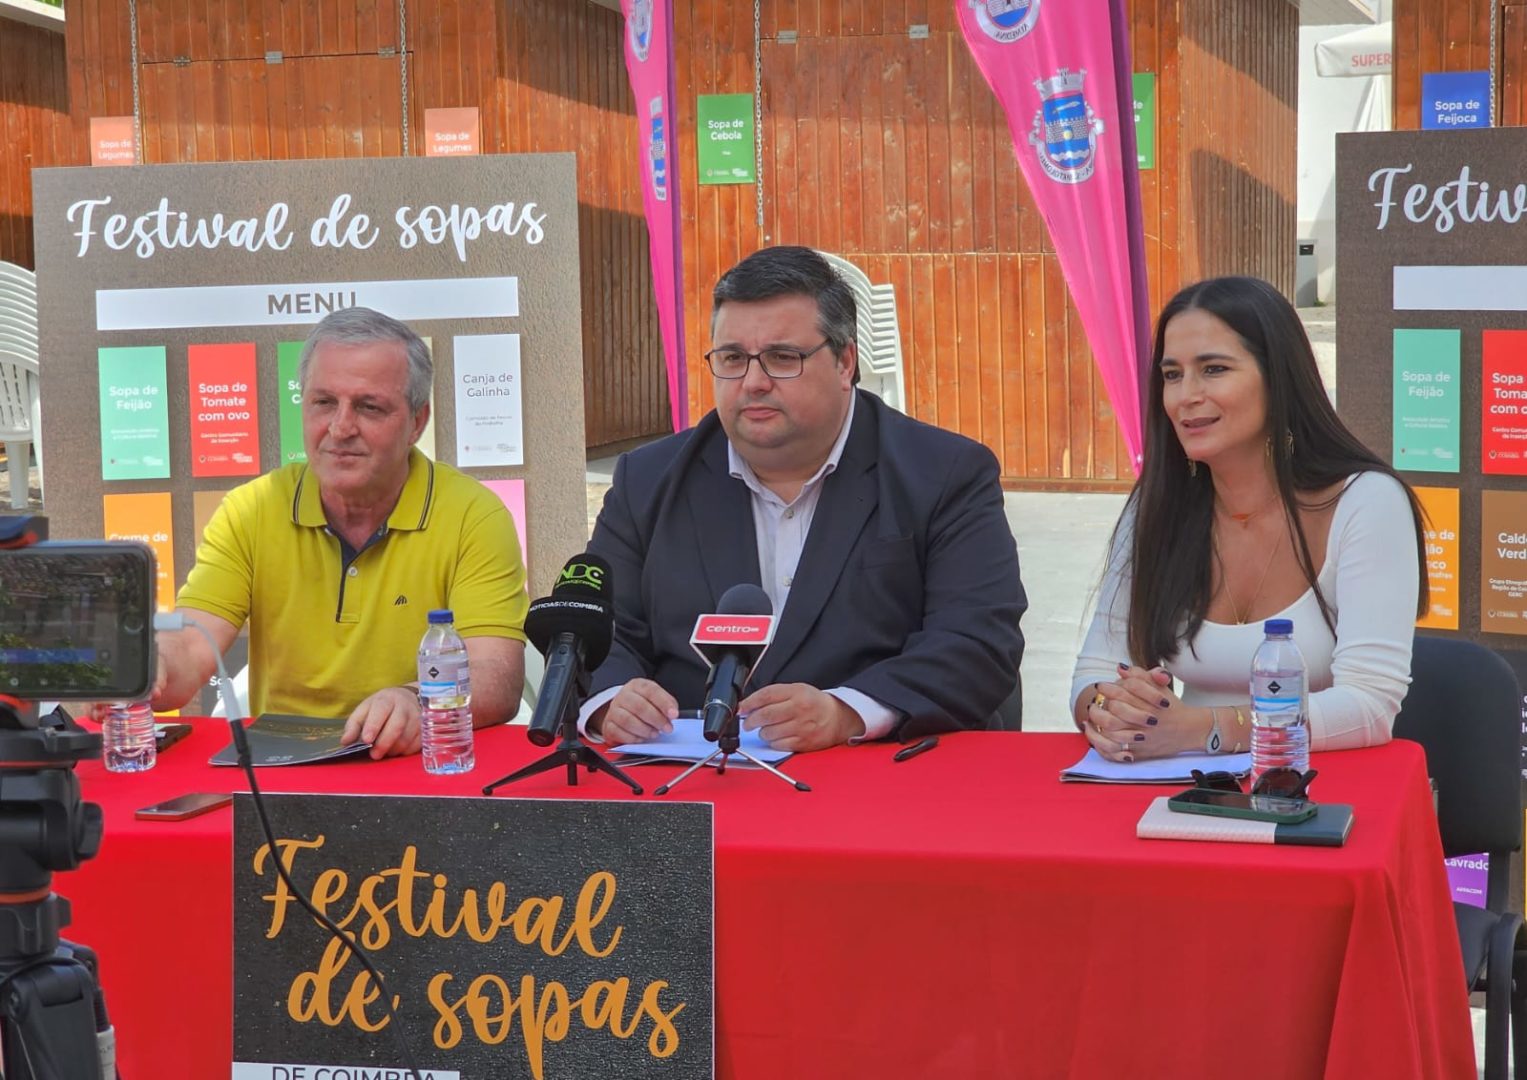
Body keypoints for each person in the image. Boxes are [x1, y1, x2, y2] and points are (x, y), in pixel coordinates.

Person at [583, 245, 1026, 752]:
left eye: (782, 358)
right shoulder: (648, 479)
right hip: (693, 770)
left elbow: (977, 644)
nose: (753, 382)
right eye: (732, 359)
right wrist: (612, 700)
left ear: (845, 362)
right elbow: (596, 632)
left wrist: (846, 712)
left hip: (875, 769)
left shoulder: (945, 474)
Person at [1071, 276, 1428, 762]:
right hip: (1178, 786)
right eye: (1172, 375)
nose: (1186, 395)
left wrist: (1203, 729)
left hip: (1321, 784)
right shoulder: (1156, 504)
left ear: (1278, 378)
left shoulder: (1366, 501)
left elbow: (1370, 705)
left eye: (1213, 369)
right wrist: (1112, 709)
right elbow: (1095, 670)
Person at [150, 307, 529, 757]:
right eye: (324, 402)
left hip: (416, 767)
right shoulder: (251, 510)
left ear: (417, 421)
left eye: (369, 407)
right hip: (284, 770)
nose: (341, 428)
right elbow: (192, 644)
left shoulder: (473, 515)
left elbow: (496, 675)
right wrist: (147, 670)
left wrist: (416, 701)